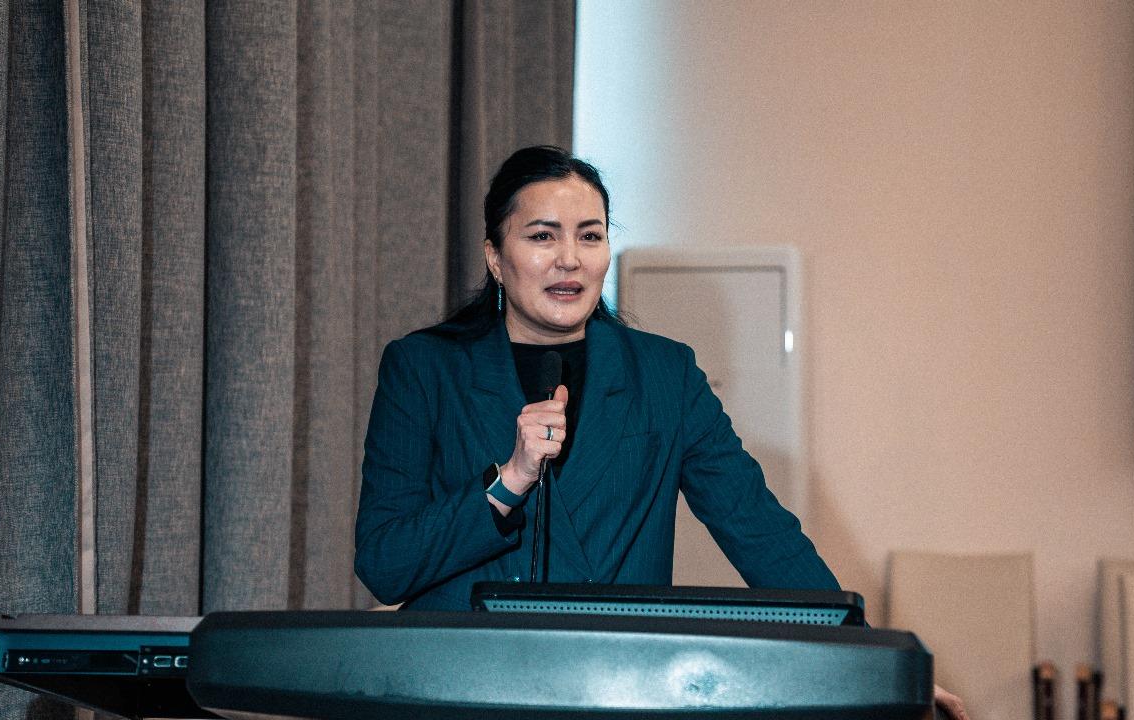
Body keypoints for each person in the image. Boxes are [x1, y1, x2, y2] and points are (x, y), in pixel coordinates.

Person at [354, 145, 968, 720]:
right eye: (542, 236)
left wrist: (876, 667)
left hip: (617, 690)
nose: (569, 258)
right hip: (464, 691)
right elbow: (385, 564)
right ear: (495, 256)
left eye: (590, 236)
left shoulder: (664, 375)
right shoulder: (424, 368)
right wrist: (507, 482)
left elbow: (757, 528)